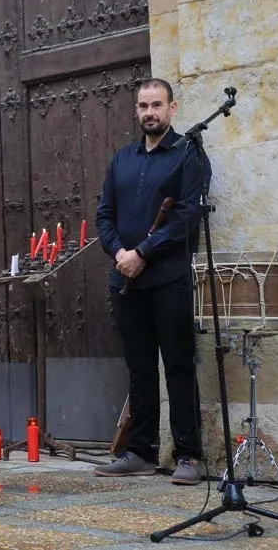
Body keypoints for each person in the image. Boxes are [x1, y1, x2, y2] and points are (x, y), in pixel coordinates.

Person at [94, 78, 210, 485]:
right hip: (126, 280)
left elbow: (187, 217)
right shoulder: (122, 159)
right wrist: (120, 254)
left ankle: (189, 455)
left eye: (157, 105)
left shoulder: (188, 154)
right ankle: (140, 452)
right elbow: (104, 215)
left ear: (172, 108)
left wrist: (143, 252)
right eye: (143, 106)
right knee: (139, 367)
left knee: (178, 365)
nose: (149, 112)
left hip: (169, 279)